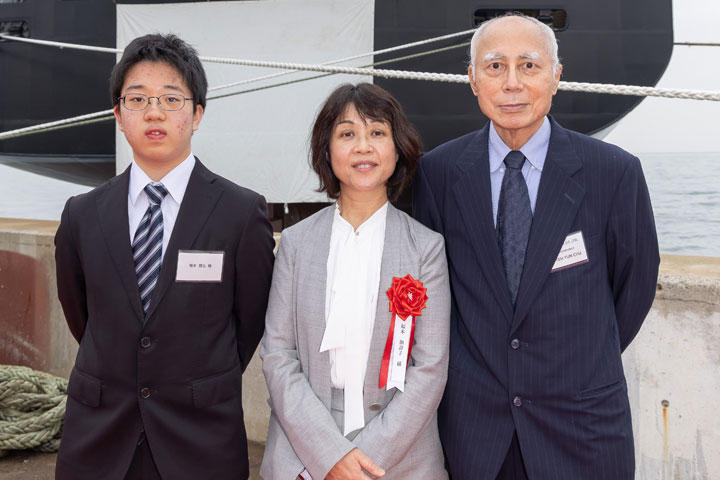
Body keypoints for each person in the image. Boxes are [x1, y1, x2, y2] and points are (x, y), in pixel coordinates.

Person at [413, 14, 660, 480]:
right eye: (494, 66)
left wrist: (573, 365)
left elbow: (634, 290)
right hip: (476, 436)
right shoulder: (439, 173)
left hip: (582, 430)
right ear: (471, 79)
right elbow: (436, 295)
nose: (512, 84)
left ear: (556, 75)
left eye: (528, 66)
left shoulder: (613, 173)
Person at [54, 33, 275, 480]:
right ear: (118, 115)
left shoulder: (239, 212)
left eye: (171, 99)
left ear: (197, 115)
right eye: (138, 99)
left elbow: (249, 322)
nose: (154, 112)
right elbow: (82, 314)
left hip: (199, 439)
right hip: (99, 438)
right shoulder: (82, 213)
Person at [260, 83, 451, 479]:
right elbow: (278, 356)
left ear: (397, 149)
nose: (363, 146)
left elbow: (430, 367)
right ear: (327, 151)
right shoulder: (296, 244)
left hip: (402, 455)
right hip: (305, 454)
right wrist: (330, 456)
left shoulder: (426, 248)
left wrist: (363, 461)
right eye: (347, 134)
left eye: (377, 133)